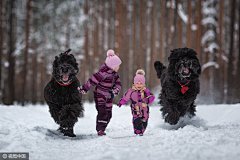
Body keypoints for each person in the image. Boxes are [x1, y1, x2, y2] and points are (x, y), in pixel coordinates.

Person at [78, 49, 122, 136]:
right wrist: (84, 88)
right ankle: (100, 129)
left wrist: (116, 90)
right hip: (100, 95)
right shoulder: (102, 74)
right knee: (102, 112)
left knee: (109, 114)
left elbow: (118, 84)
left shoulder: (115, 74)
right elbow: (92, 81)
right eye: (118, 66)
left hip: (109, 96)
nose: (119, 67)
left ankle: (103, 127)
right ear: (112, 66)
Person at [117, 69, 155, 136]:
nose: (139, 85)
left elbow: (152, 97)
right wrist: (121, 102)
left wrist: (147, 100)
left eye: (141, 83)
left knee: (144, 123)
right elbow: (125, 97)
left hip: (145, 111)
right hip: (136, 111)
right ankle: (137, 131)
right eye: (137, 83)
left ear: (143, 84)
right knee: (137, 121)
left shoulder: (146, 91)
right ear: (134, 83)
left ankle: (141, 131)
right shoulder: (131, 92)